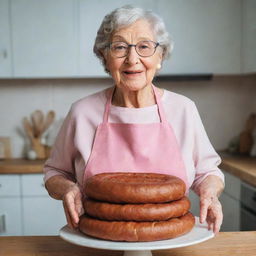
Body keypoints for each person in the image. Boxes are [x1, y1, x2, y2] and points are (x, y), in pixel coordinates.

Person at [44, 5, 224, 234]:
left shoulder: (184, 110)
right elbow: (55, 173)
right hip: (98, 241)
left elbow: (208, 172)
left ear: (161, 55)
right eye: (119, 47)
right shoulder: (82, 112)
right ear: (104, 57)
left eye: (144, 47)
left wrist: (209, 191)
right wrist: (67, 188)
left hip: (171, 242)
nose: (132, 59)